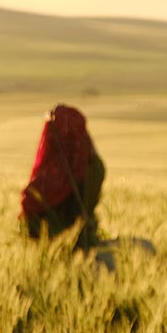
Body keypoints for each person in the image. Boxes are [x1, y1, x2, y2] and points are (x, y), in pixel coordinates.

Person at [20, 104, 105, 248]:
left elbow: (28, 225)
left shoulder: (43, 180)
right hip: (79, 242)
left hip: (59, 246)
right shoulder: (92, 166)